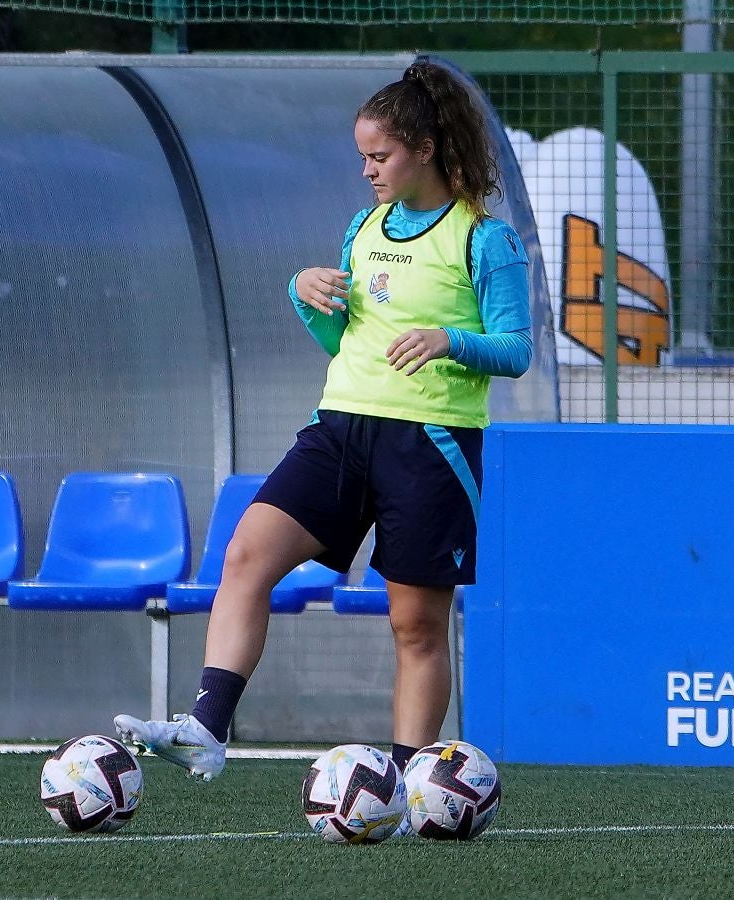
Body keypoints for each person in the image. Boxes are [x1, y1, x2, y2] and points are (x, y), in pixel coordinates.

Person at [113, 60, 532, 785]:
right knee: (246, 556)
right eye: (362, 157)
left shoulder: (482, 239)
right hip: (338, 429)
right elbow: (346, 343)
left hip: (429, 444)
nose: (368, 171)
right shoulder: (362, 228)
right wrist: (304, 295)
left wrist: (449, 339)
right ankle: (205, 727)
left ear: (424, 150)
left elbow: (517, 349)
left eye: (380, 156)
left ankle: (403, 785)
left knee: (415, 627)